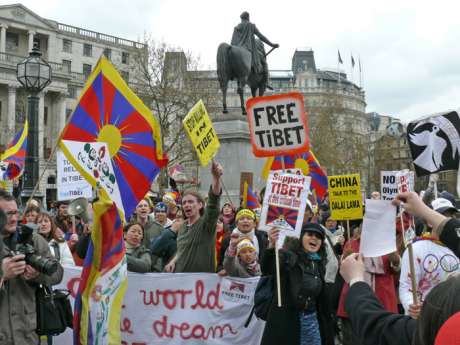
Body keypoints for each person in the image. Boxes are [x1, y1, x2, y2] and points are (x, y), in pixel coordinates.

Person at [341, 254, 460, 345]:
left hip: (379, 296)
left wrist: (355, 279)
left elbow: (376, 325)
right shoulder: (353, 243)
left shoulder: (424, 331)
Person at [0, 190, 63, 344]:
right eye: (8, 214)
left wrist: (37, 275)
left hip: (27, 334)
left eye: (16, 212)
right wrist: (3, 276)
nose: (14, 218)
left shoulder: (33, 239)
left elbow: (57, 273)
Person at [260, 224, 329, 345]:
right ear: (301, 237)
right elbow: (268, 268)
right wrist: (271, 245)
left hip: (311, 320)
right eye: (310, 234)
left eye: (318, 236)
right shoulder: (288, 256)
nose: (314, 238)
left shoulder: (319, 262)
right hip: (288, 319)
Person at [337, 225, 400, 345]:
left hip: (383, 300)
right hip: (355, 299)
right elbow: (343, 271)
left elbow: (396, 270)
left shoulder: (387, 244)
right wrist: (345, 258)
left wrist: (395, 259)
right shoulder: (352, 243)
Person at [164, 161, 222, 273]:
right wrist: (173, 262)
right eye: (184, 203)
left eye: (191, 202)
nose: (187, 205)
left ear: (200, 205)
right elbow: (181, 250)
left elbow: (213, 203)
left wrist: (216, 178)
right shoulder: (182, 227)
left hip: (201, 285)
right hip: (181, 282)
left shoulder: (206, 224)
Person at [231, 11, 278, 79]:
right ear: (248, 18)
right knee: (264, 62)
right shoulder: (251, 26)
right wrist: (272, 44)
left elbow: (233, 42)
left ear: (241, 19)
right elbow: (261, 37)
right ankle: (265, 79)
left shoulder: (236, 28)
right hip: (250, 50)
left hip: (237, 50)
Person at [218, 208, 268, 272]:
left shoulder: (262, 239)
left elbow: (264, 264)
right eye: (241, 219)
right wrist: (222, 270)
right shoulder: (228, 239)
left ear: (254, 224)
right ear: (236, 224)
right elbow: (221, 263)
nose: (245, 221)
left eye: (249, 218)